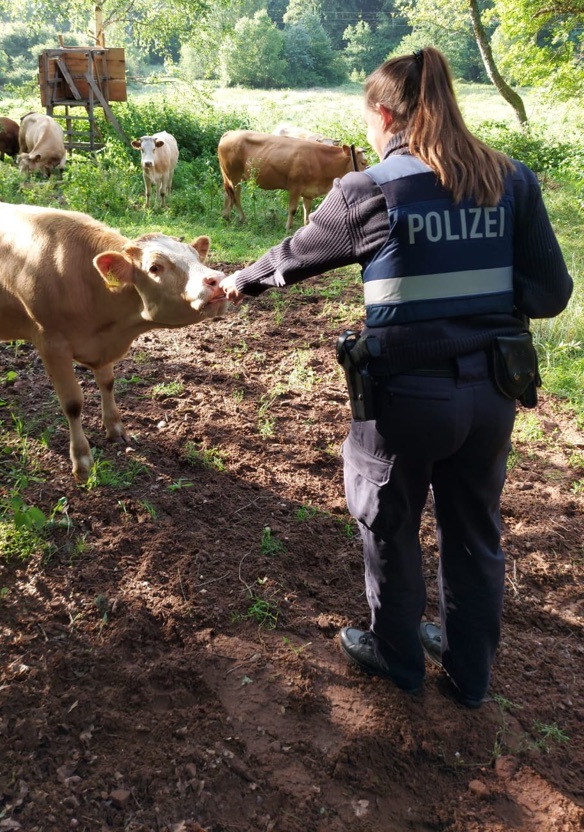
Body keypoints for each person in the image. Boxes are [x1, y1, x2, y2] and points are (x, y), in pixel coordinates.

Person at [220, 47, 573, 707]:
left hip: (405, 399)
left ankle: (398, 658)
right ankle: (470, 677)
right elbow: (552, 293)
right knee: (474, 533)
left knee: (389, 521)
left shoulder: (368, 190)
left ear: (383, 115)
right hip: (494, 395)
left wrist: (234, 282)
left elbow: (294, 257)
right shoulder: (513, 180)